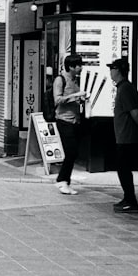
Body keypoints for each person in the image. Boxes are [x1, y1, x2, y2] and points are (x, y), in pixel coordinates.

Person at [108, 58, 138, 214]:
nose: (110, 71)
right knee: (123, 168)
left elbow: (135, 112)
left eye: (112, 68)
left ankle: (131, 201)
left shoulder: (125, 88)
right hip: (124, 136)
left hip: (128, 137)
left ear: (119, 70)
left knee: (123, 169)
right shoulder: (123, 87)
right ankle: (128, 199)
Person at [53, 54, 87, 195]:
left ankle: (65, 182)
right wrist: (75, 96)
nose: (81, 68)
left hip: (75, 121)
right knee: (71, 151)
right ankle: (61, 181)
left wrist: (81, 99)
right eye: (78, 65)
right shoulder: (60, 80)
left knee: (73, 153)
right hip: (64, 120)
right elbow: (57, 100)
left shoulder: (74, 80)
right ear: (71, 66)